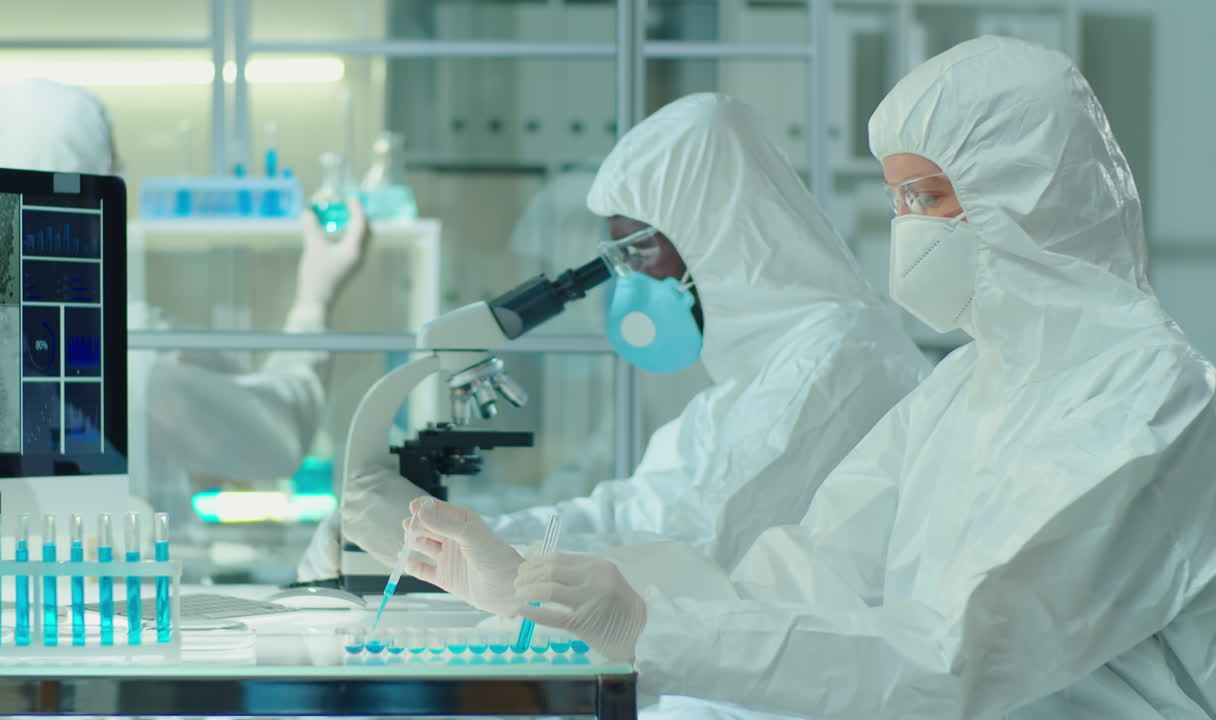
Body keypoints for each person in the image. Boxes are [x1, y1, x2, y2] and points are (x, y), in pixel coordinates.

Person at [409, 36, 1216, 718]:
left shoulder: (1153, 402)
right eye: (899, 200)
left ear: (1032, 197)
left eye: (927, 197)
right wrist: (534, 584)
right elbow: (802, 576)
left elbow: (958, 657)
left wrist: (644, 627)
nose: (907, 230)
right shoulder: (964, 386)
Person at [299, 92, 930, 592]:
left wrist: (460, 558)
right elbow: (628, 516)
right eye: (621, 255)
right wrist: (445, 539)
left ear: (720, 233)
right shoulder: (747, 386)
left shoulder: (841, 360)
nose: (634, 278)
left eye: (640, 250)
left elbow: (694, 552)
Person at [0, 78, 370, 541]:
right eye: (115, 165)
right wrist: (314, 297)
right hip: (119, 603)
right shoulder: (128, 343)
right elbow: (276, 439)